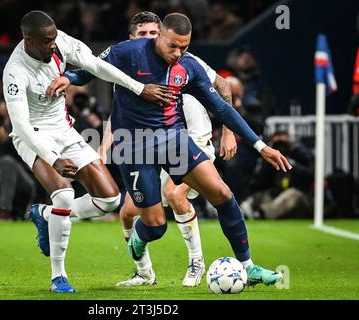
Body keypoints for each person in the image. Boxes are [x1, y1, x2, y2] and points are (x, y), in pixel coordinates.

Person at [52, 13, 291, 288]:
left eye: (185, 47)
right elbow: (89, 67)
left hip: (173, 140)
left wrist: (261, 146)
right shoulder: (127, 52)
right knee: (155, 226)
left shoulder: (189, 67)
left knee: (223, 194)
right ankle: (141, 241)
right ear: (160, 36)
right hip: (133, 145)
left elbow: (222, 108)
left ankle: (248, 267)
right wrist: (68, 78)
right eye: (173, 46)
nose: (178, 53)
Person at [2, 10, 174, 294]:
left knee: (109, 199)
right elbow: (20, 125)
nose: (53, 45)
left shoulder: (60, 42)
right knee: (65, 195)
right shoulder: (15, 70)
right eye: (46, 41)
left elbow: (96, 66)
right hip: (33, 136)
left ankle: (46, 215)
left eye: (54, 39)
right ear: (28, 40)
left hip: (64, 130)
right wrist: (54, 158)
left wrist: (139, 87)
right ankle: (59, 276)